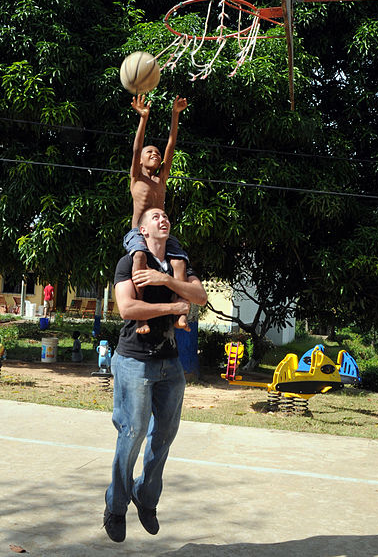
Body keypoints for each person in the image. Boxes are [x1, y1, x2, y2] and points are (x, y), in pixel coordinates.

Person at [104, 207, 207, 543]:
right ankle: (116, 508)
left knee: (164, 434)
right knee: (132, 434)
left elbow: (200, 296)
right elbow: (127, 308)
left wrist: (166, 281)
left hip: (169, 364)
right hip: (134, 360)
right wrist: (172, 307)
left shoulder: (179, 264)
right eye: (155, 217)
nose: (163, 219)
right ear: (143, 230)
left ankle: (146, 499)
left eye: (166, 216)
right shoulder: (128, 263)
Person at [123, 93, 189, 335]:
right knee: (139, 257)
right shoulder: (136, 178)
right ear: (139, 161)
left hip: (160, 235)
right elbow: (137, 147)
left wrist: (175, 114)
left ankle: (179, 312)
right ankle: (142, 315)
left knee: (179, 261)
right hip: (137, 233)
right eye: (150, 152)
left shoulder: (161, 179)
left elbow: (171, 144)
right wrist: (143, 118)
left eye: (158, 154)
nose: (155, 154)